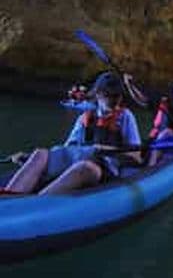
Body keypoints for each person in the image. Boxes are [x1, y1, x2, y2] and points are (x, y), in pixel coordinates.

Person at [4, 72, 142, 195]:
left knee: (84, 167)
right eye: (109, 95)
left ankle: (35, 204)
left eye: (117, 95)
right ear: (98, 94)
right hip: (78, 159)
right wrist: (27, 157)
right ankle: (7, 198)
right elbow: (68, 149)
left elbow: (136, 156)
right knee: (40, 154)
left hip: (103, 168)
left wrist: (105, 150)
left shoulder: (126, 117)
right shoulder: (85, 118)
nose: (115, 100)